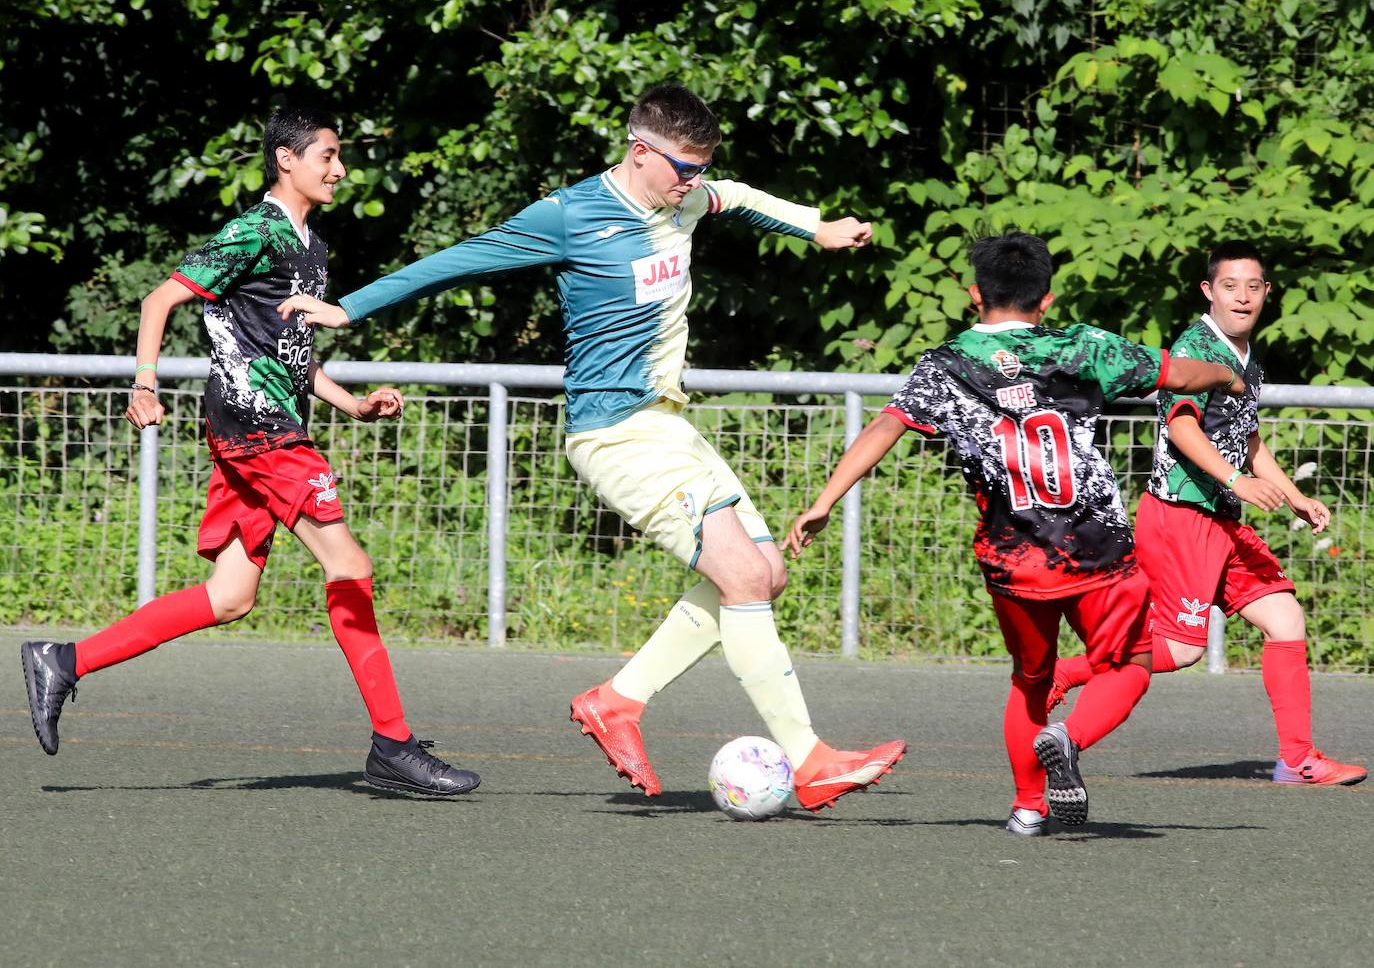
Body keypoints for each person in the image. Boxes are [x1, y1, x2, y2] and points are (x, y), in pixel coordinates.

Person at [278, 83, 906, 811]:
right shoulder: (573, 214)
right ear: (641, 153)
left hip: (669, 424)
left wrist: (816, 226)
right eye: (682, 168)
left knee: (767, 573)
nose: (694, 182)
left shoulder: (689, 198)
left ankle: (618, 700)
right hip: (614, 431)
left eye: (701, 168)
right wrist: (349, 307)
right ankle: (811, 758)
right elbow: (466, 257)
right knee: (742, 576)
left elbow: (735, 195)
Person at [19, 107, 479, 798]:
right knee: (349, 563)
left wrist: (350, 403)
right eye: (327, 155)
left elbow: (291, 354)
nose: (339, 168)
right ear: (286, 160)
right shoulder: (252, 232)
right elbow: (157, 300)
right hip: (258, 430)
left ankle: (64, 659)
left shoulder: (312, 247)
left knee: (230, 596)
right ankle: (393, 743)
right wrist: (143, 383)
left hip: (267, 427)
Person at [784, 230, 1245, 834]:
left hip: (1013, 560)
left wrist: (823, 501)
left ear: (975, 295)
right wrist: (1225, 376)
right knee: (1131, 663)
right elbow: (1177, 375)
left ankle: (1028, 807)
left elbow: (884, 428)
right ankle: (1069, 736)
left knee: (1031, 677)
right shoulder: (1083, 347)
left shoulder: (948, 364)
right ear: (1046, 300)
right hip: (1096, 551)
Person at [1047, 243, 1365, 786]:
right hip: (1181, 518)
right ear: (1208, 291)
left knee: (1285, 618)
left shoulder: (1246, 356)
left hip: (1219, 521)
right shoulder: (1197, 349)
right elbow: (1182, 427)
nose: (1242, 295)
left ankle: (1298, 759)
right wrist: (1238, 480)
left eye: (1253, 286)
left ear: (1266, 292)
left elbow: (1247, 437)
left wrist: (1291, 493)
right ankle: (1064, 682)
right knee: (1179, 649)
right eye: (1230, 285)